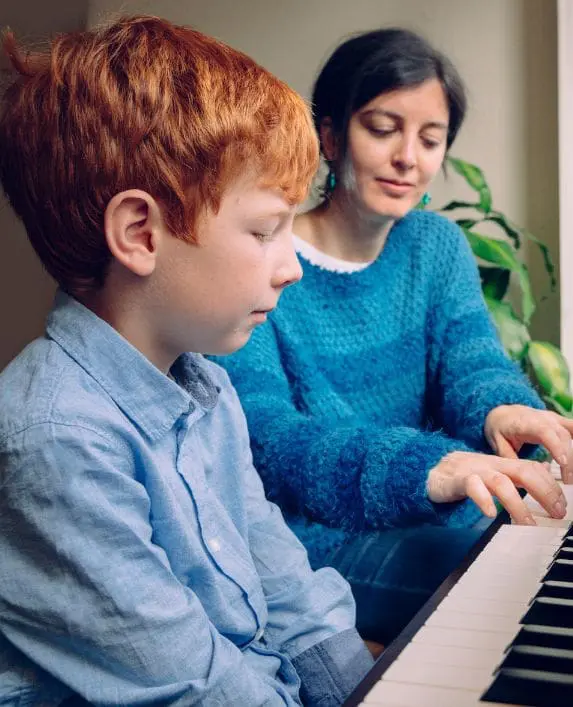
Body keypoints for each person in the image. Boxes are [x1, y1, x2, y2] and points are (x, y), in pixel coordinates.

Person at [0, 16, 375, 706]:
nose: (290, 266)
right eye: (264, 230)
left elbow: (286, 586)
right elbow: (193, 683)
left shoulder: (207, 385)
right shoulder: (55, 437)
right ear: (140, 233)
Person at [211, 28, 573, 645]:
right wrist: (429, 466)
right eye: (383, 129)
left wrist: (501, 408)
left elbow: (472, 365)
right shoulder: (262, 258)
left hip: (444, 510)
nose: (409, 157)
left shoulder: (435, 247)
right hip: (321, 540)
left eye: (430, 139)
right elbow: (269, 442)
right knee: (514, 584)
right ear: (329, 135)